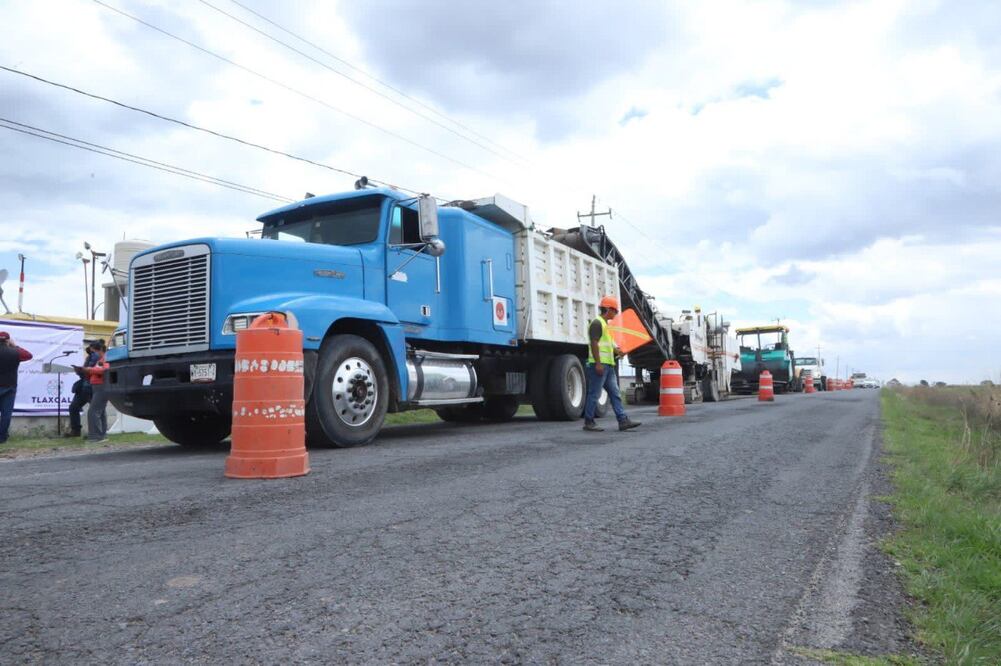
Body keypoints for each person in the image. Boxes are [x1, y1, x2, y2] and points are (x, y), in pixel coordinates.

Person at [583, 296, 640, 432]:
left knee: (615, 394)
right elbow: (594, 343)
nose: (615, 314)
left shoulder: (605, 325)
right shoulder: (597, 323)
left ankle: (623, 420)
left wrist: (618, 351)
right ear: (608, 309)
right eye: (614, 311)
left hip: (608, 365)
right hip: (600, 364)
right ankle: (589, 422)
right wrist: (598, 363)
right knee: (594, 394)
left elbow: (607, 344)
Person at [0, 331, 33, 444]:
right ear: (8, 340)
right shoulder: (15, 352)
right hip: (10, 387)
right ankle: (2, 438)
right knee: (6, 414)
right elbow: (29, 355)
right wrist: (15, 346)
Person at [66, 342, 100, 438]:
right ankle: (76, 431)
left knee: (95, 410)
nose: (88, 349)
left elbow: (91, 369)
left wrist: (82, 370)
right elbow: (86, 372)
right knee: (73, 407)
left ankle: (96, 433)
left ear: (93, 348)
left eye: (90, 347)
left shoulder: (96, 356)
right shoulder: (89, 357)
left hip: (92, 387)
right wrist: (79, 371)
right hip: (84, 386)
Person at [84, 340, 110, 443]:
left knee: (93, 411)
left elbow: (105, 370)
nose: (92, 354)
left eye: (93, 352)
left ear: (99, 351)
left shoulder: (107, 358)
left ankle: (95, 436)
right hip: (97, 386)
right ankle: (102, 435)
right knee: (101, 412)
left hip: (101, 386)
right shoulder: (100, 360)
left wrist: (90, 369)